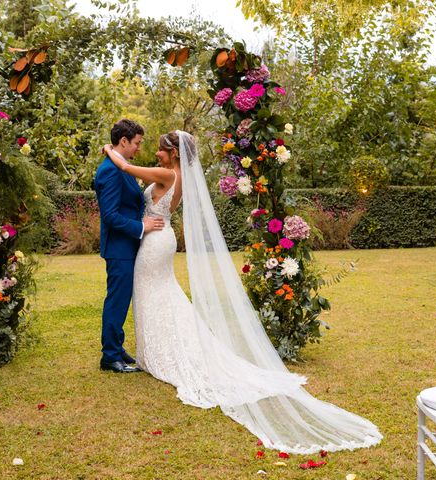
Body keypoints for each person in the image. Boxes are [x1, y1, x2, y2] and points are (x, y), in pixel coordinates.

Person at [102, 131, 383, 454]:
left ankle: (163, 353)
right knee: (160, 295)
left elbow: (125, 168)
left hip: (155, 242)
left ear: (174, 154)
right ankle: (154, 351)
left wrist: (110, 149)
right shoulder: (177, 175)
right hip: (157, 239)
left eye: (161, 149)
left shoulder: (168, 174)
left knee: (156, 294)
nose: (155, 153)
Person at [93, 119, 164, 373]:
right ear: (123, 141)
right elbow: (110, 215)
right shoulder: (110, 171)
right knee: (117, 300)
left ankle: (117, 347)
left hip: (128, 247)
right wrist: (141, 226)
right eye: (136, 143)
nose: (138, 148)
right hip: (119, 248)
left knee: (122, 300)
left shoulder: (119, 166)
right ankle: (109, 356)